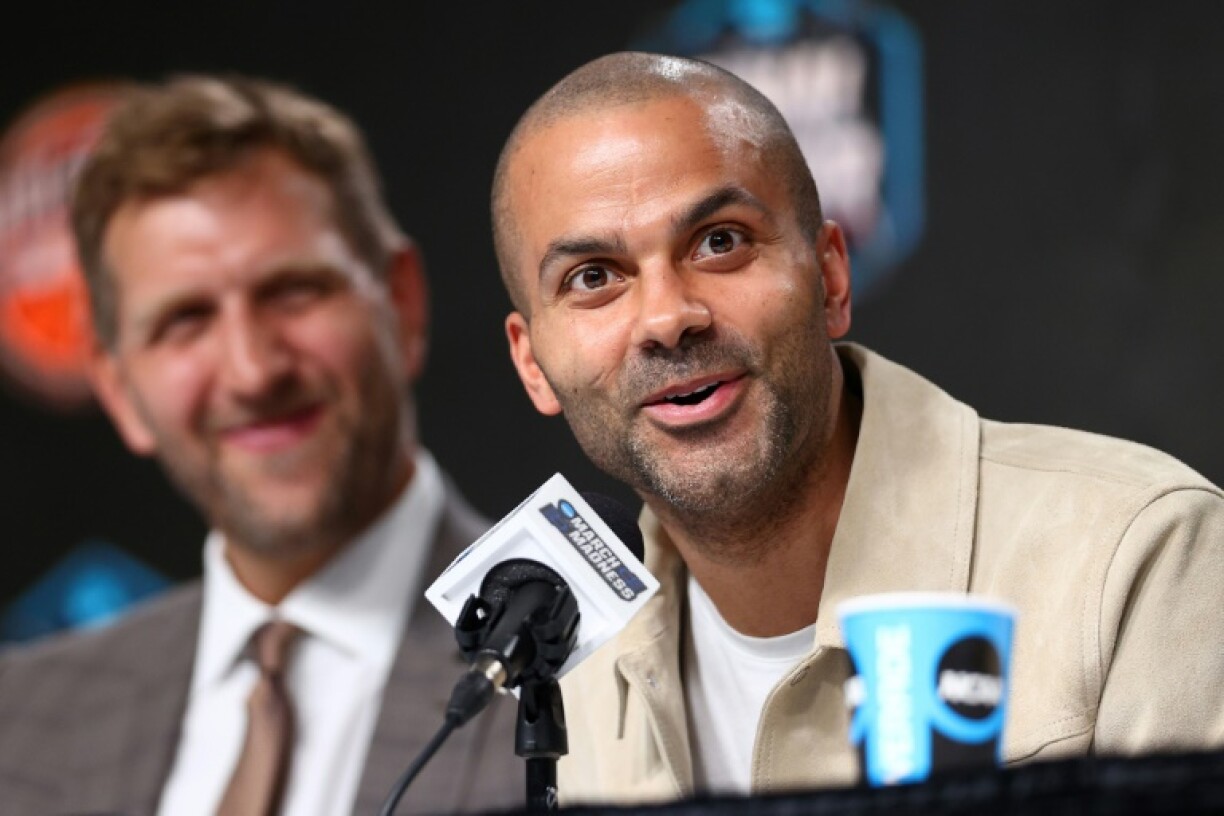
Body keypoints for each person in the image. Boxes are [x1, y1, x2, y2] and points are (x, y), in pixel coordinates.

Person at [491, 51, 1224, 805]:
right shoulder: (559, 675)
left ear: (831, 278)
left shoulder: (1137, 557)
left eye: (719, 241)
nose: (668, 318)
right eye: (593, 278)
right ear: (533, 364)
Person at [0, 74, 521, 816]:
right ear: (119, 392)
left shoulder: (602, 673)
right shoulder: (20, 723)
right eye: (184, 320)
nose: (252, 371)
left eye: (293, 292)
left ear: (402, 304)